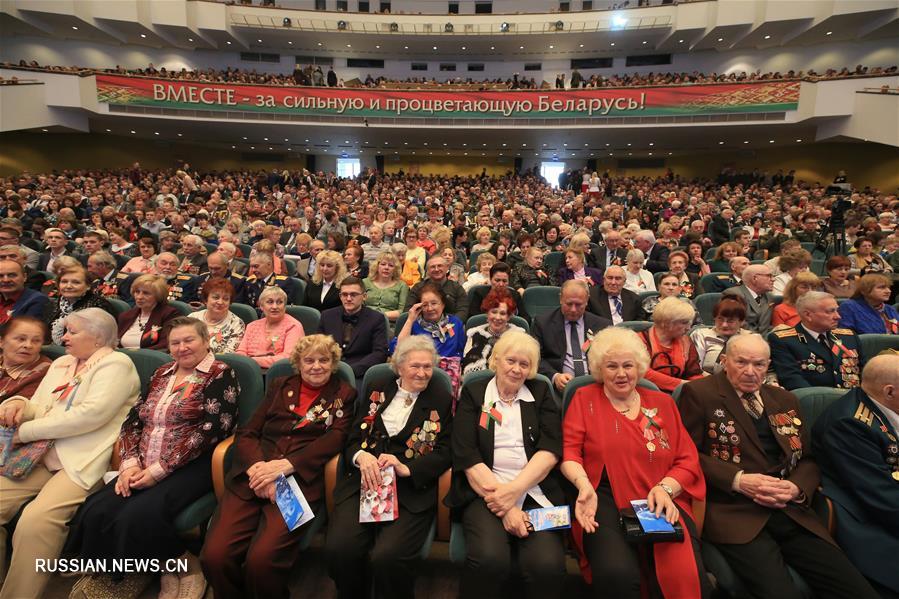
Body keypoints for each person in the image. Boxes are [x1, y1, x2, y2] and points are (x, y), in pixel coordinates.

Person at [678, 334, 879, 599]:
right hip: (737, 511)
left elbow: (807, 458)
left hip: (790, 510)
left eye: (759, 364)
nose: (750, 372)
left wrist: (796, 488)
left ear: (768, 365)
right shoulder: (699, 394)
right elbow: (686, 455)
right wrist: (739, 480)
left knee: (855, 589)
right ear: (725, 361)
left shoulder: (784, 399)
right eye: (741, 362)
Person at [64, 318, 239, 598]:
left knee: (137, 515)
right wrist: (129, 465)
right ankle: (127, 572)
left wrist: (159, 469)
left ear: (206, 341)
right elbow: (133, 421)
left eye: (189, 340)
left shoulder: (219, 373)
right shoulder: (161, 373)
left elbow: (213, 431)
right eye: (175, 342)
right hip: (144, 460)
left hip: (193, 463)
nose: (182, 348)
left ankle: (184, 563)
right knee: (97, 509)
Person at [202, 334, 357, 599]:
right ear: (298, 363)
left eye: (324, 360)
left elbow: (336, 438)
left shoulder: (343, 393)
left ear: (333, 363)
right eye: (309, 360)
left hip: (297, 483)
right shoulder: (278, 385)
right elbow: (249, 431)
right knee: (214, 556)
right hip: (253, 477)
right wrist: (257, 468)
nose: (316, 366)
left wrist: (286, 466)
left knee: (262, 561)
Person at [0, 309, 139, 599]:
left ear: (98, 337)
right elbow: (40, 405)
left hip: (81, 459)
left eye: (72, 332)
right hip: (41, 452)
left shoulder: (117, 365)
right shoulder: (63, 363)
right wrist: (19, 404)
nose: (63, 337)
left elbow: (89, 417)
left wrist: (24, 432)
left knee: (36, 522)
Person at [561, 326, 708, 598]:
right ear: (598, 369)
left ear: (639, 367)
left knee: (684, 575)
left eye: (628, 365)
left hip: (660, 496)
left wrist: (666, 489)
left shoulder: (662, 402)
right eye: (612, 366)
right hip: (601, 496)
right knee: (617, 576)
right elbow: (570, 455)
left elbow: (687, 459)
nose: (621, 374)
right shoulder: (584, 399)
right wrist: (583, 486)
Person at [325, 335, 453, 599]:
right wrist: (361, 456)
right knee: (341, 549)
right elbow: (352, 436)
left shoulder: (441, 396)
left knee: (388, 557)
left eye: (428, 366)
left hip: (410, 489)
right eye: (415, 366)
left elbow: (447, 450)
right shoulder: (377, 387)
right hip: (364, 482)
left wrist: (408, 468)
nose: (422, 372)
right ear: (400, 366)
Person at [449, 331, 565, 599]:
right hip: (483, 492)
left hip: (535, 491)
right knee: (489, 560)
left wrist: (515, 491)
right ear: (497, 360)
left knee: (547, 566)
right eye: (511, 361)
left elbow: (550, 449)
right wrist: (507, 506)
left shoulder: (540, 391)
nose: (516, 369)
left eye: (524, 364)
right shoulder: (475, 392)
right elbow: (466, 452)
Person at [812, 354, 899, 597]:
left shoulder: (888, 404)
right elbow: (880, 496)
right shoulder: (849, 424)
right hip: (869, 519)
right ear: (889, 391)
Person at [769, 291, 864, 390]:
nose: (838, 316)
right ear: (808, 315)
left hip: (855, 400)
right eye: (830, 311)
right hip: (816, 401)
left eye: (837, 310)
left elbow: (864, 372)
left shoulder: (848, 336)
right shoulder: (784, 340)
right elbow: (792, 379)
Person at [531, 280, 612, 392]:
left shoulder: (602, 325)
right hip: (560, 388)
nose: (573, 309)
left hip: (597, 386)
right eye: (569, 304)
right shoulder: (543, 323)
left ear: (587, 300)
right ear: (560, 299)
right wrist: (555, 376)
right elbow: (535, 357)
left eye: (578, 304)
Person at [393, 281, 466, 396]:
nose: (429, 308)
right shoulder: (414, 324)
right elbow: (398, 350)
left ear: (443, 304)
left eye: (434, 303)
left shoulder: (455, 323)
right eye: (425, 305)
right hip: (419, 373)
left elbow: (461, 352)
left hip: (449, 375)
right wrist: (410, 320)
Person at [318, 277, 388, 385]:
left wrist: (350, 371)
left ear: (364, 296)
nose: (348, 298)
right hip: (328, 372)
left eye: (353, 295)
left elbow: (380, 353)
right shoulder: (326, 316)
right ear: (340, 296)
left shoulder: (376, 318)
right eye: (344, 295)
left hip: (359, 375)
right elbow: (317, 347)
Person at [637, 297, 704, 393]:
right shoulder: (639, 340)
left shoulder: (685, 341)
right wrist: (684, 385)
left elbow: (694, 374)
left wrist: (698, 387)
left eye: (689, 322)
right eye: (684, 323)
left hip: (682, 393)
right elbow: (644, 373)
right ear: (666, 323)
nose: (688, 328)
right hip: (647, 393)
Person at [236, 286, 304, 370]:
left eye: (279, 302)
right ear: (261, 306)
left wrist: (251, 361)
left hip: (278, 373)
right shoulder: (252, 326)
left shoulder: (293, 326)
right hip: (249, 371)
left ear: (285, 306)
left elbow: (288, 358)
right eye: (270, 302)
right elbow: (241, 352)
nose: (275, 306)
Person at [43, 263, 113, 344]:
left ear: (88, 286)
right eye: (64, 282)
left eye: (76, 282)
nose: (68, 286)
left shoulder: (99, 306)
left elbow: (99, 340)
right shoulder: (52, 304)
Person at [461, 288, 525, 376]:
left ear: (509, 317)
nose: (497, 317)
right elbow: (466, 368)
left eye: (502, 313)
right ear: (487, 313)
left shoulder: (519, 336)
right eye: (494, 312)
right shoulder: (474, 334)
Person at [117, 274, 182, 351]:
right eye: (137, 292)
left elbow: (165, 345)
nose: (139, 297)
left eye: (146, 293)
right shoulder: (125, 316)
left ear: (158, 295)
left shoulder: (170, 314)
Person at [690, 296, 751, 374]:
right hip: (708, 381)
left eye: (730, 321)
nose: (724, 325)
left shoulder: (750, 338)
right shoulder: (701, 335)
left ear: (742, 322)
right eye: (720, 319)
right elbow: (696, 369)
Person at [0, 316, 51, 402]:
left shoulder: (44, 371)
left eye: (36, 341)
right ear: (1, 342)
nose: (28, 345)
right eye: (21, 339)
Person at [405, 254, 469, 322]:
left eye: (439, 266)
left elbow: (463, 311)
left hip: (452, 326)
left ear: (447, 268)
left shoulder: (457, 288)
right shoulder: (417, 288)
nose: (436, 269)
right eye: (432, 267)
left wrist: (451, 325)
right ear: (428, 271)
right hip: (422, 327)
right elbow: (408, 310)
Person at [193, 277, 246, 353]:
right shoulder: (193, 318)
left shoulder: (236, 323)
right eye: (216, 297)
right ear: (205, 299)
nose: (220, 302)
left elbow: (229, 356)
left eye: (225, 299)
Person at [723, 264, 775, 335]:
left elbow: (765, 325)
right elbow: (737, 323)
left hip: (766, 340)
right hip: (742, 338)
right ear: (754, 278)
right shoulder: (734, 294)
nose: (773, 279)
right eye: (769, 276)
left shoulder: (769, 296)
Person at [363, 250, 409, 322]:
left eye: (391, 265)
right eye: (383, 264)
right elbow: (358, 306)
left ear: (395, 269)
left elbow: (402, 312)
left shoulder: (402, 286)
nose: (386, 268)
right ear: (377, 266)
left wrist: (379, 316)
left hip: (389, 324)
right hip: (364, 321)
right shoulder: (365, 282)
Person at [0, 259, 47, 324]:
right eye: (0, 276)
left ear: (24, 277)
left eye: (12, 275)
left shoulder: (37, 300)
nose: (6, 280)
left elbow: (25, 332)